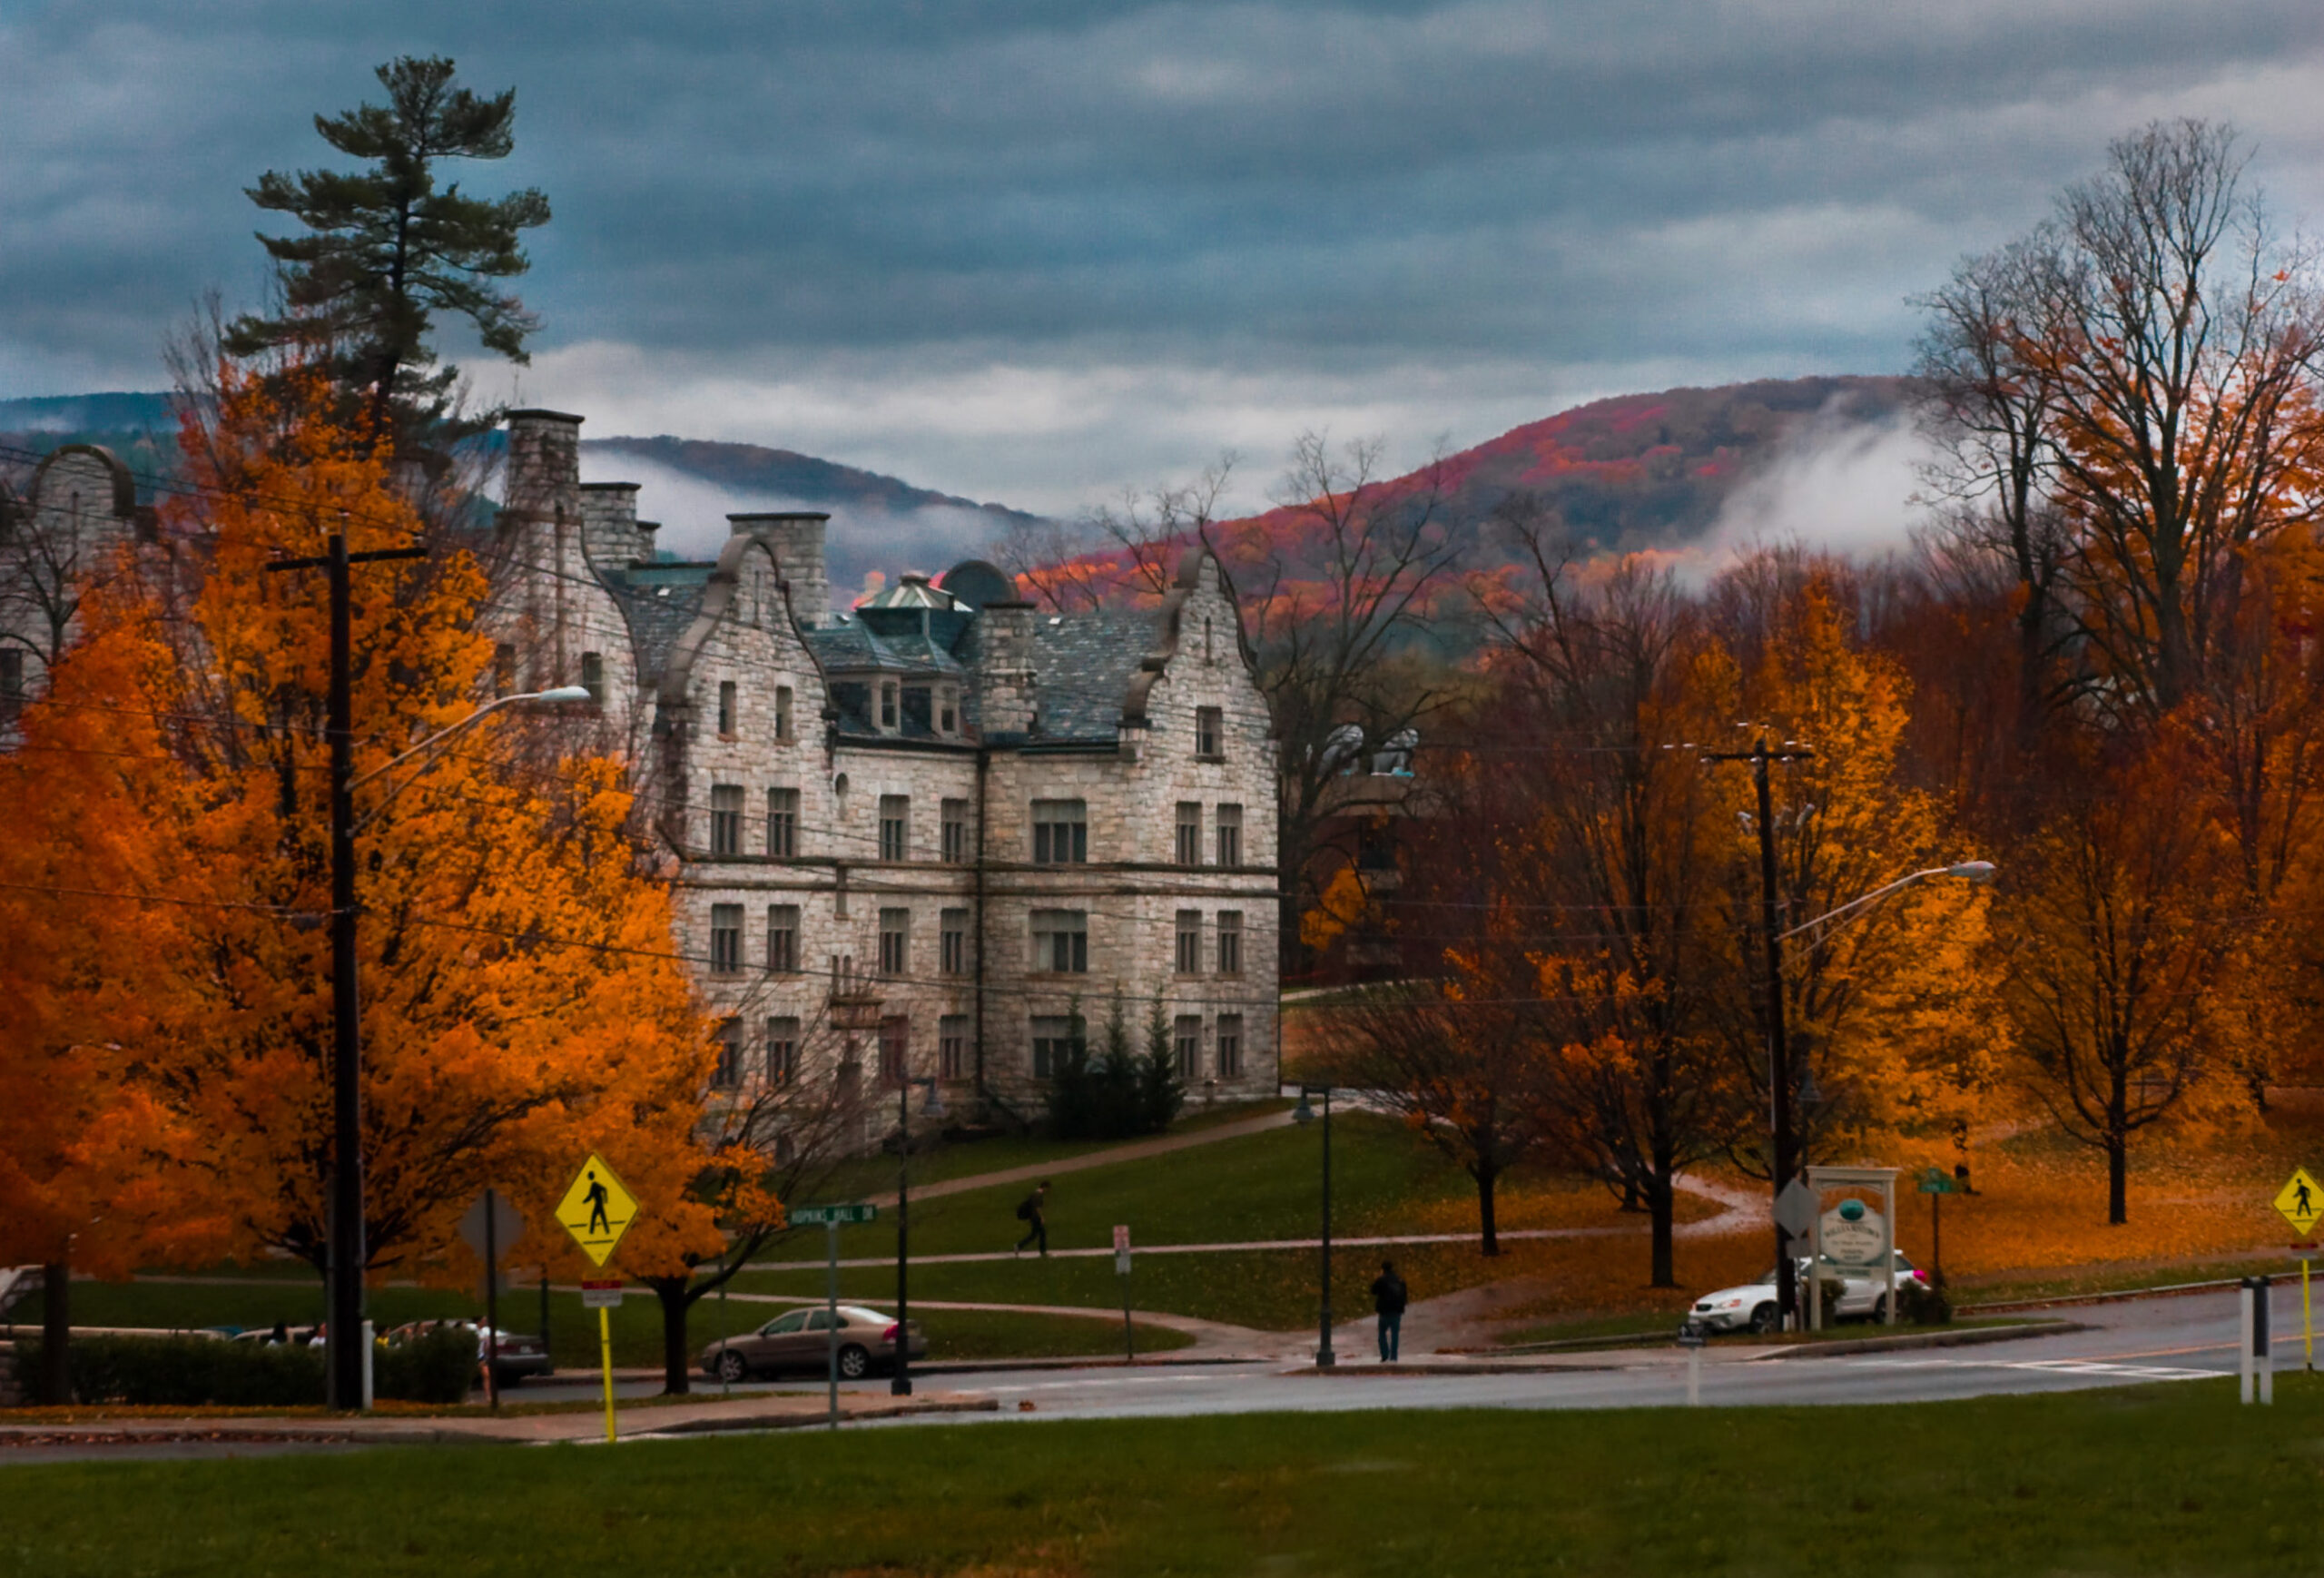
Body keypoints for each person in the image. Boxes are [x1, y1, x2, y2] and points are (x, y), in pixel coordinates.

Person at [1370, 1258, 1408, 1362]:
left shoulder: (1381, 1280)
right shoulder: (1399, 1279)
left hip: (1384, 1310)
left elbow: (1373, 1291)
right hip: (1397, 1310)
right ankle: (1394, 1357)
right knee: (1395, 1334)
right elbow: (1404, 1295)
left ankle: (1385, 1354)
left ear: (1382, 1269)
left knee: (1382, 1333)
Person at [1013, 1181, 1051, 1257]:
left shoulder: (1034, 1194)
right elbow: (1037, 1208)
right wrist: (1041, 1217)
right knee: (1042, 1234)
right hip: (1036, 1218)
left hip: (1033, 1217)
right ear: (1044, 1187)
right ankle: (1043, 1252)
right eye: (1048, 1189)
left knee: (1034, 1235)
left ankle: (1019, 1246)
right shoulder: (1038, 1195)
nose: (1048, 1191)